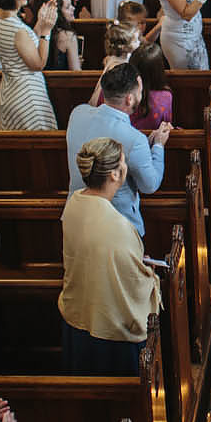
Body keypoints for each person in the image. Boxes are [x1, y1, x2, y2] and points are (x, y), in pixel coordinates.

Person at [60, 138, 162, 375]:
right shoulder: (117, 225)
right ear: (115, 175)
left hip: (77, 318)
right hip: (109, 334)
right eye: (123, 163)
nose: (126, 167)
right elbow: (133, 286)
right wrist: (151, 275)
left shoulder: (75, 202)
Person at [65, 62, 169, 234]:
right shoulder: (135, 139)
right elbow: (149, 185)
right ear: (129, 98)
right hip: (118, 226)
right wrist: (158, 146)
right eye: (140, 92)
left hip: (76, 218)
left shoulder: (77, 114)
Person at [0, 0, 58, 131]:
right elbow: (38, 64)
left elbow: (24, 47)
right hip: (27, 95)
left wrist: (40, 24)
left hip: (9, 89)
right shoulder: (17, 29)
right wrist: (46, 32)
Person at [127, 42, 175, 133]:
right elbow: (166, 127)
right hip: (154, 142)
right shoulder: (165, 96)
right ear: (159, 70)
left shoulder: (122, 93)